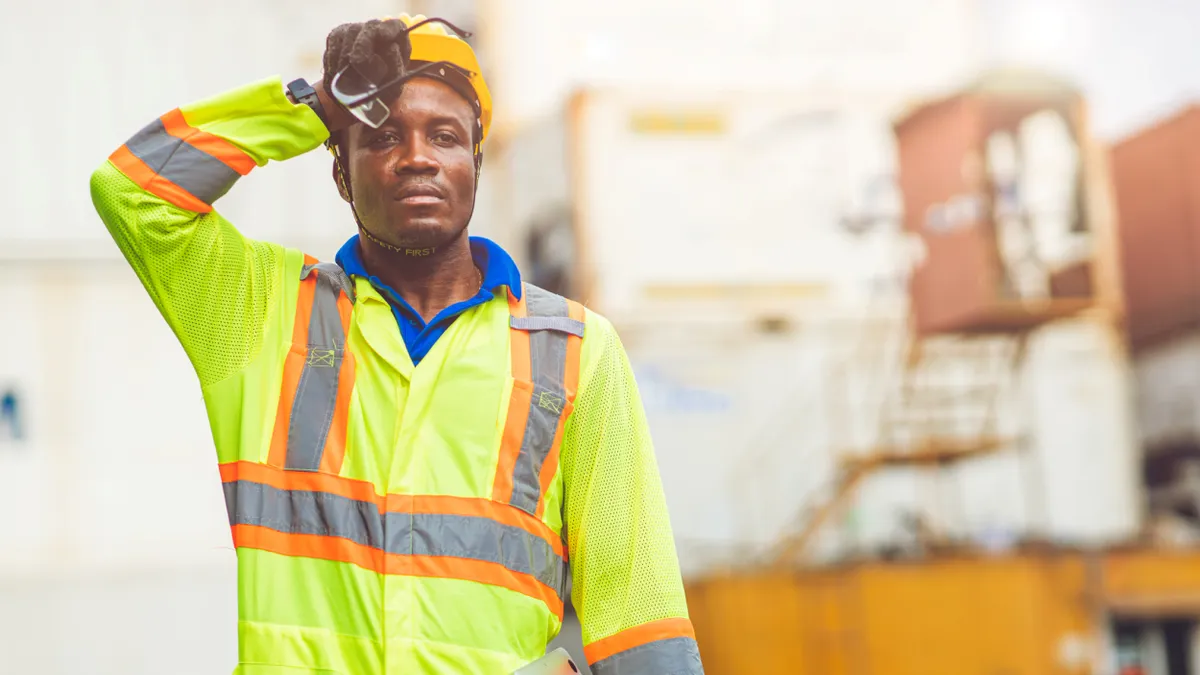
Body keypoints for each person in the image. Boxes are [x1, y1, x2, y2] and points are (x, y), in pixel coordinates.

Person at [89, 14, 703, 675]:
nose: (416, 156)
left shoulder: (576, 349)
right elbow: (132, 191)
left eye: (444, 136)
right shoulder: (261, 312)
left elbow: (637, 610)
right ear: (342, 176)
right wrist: (317, 106)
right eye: (381, 137)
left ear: (474, 162)